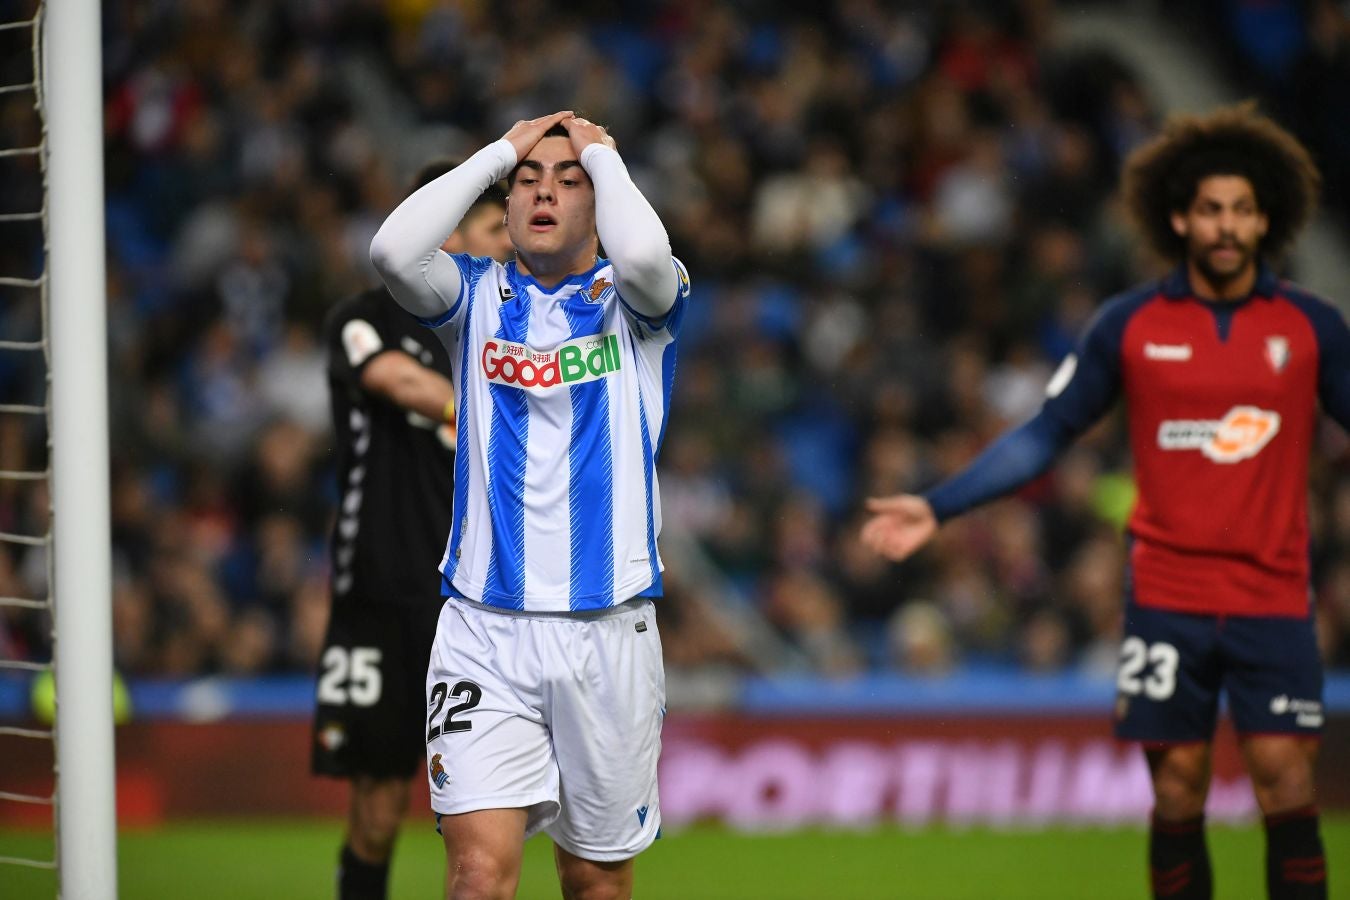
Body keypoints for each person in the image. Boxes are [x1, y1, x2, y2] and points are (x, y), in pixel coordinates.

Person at [862, 103, 1344, 900]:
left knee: (1287, 783)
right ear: (1181, 218)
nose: (1226, 226)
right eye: (1211, 210)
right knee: (1179, 790)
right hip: (1167, 595)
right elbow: (1046, 433)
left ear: (1267, 221)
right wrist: (939, 506)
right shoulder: (1129, 326)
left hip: (1272, 593)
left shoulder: (1313, 327)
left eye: (1242, 211)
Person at [369, 111, 690, 899]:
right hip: (484, 629)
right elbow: (390, 252)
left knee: (594, 885)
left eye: (568, 181)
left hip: (607, 632)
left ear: (600, 204)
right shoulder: (473, 298)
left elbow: (645, 250)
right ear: (504, 204)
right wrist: (497, 153)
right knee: (477, 878)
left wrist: (604, 156)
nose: (545, 192)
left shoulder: (642, 303)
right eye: (528, 183)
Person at [312, 159, 513, 900]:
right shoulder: (363, 319)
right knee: (377, 802)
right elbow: (399, 382)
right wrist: (498, 400)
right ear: (449, 230)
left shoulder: (500, 324)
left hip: (472, 598)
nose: (509, 244)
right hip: (380, 592)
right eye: (496, 229)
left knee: (480, 813)